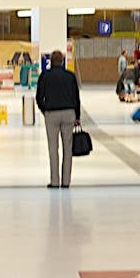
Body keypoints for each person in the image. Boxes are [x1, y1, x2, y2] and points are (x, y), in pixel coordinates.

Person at [36, 50, 82, 188]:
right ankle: (66, 181)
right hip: (68, 113)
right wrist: (77, 116)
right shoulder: (70, 76)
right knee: (68, 149)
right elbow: (76, 97)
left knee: (53, 148)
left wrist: (45, 110)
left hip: (51, 114)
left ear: (51, 61)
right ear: (62, 61)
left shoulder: (45, 76)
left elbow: (39, 97)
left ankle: (55, 181)